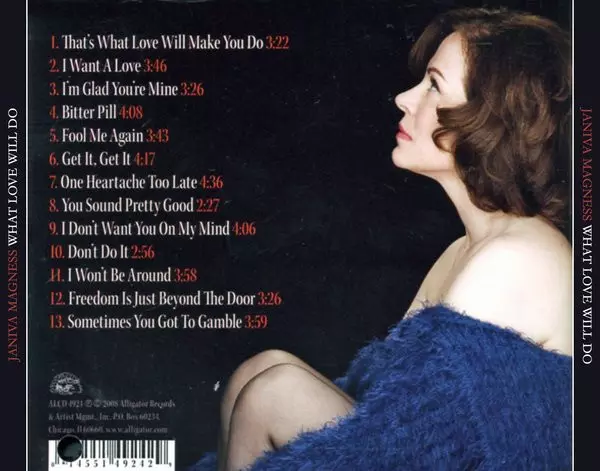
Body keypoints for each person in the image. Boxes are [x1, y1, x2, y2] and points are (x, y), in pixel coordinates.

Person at [217, 7, 572, 471]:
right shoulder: (467, 249)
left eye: (433, 85)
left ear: (490, 121)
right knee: (262, 369)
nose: (405, 98)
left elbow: (421, 453)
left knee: (273, 392)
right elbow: (390, 409)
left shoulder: (514, 259)